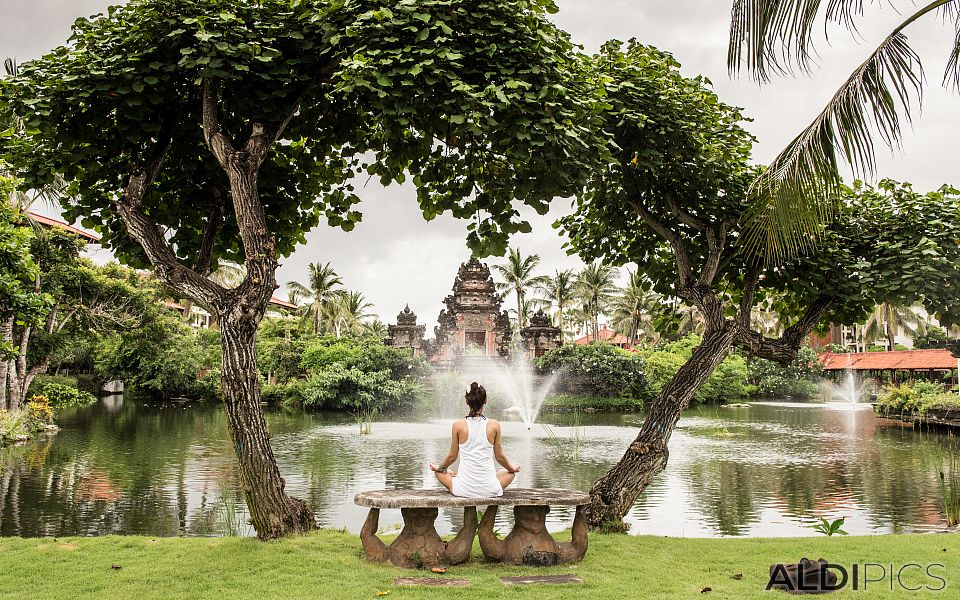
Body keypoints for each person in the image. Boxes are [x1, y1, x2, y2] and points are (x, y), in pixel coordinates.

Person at [429, 382, 520, 497]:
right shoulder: (494, 425)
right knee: (509, 473)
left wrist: (441, 468)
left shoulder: (458, 425)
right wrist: (512, 468)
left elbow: (452, 457)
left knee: (439, 472)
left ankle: (455, 475)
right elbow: (500, 457)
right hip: (489, 490)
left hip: (464, 489)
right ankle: (461, 476)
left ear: (467, 401)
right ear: (485, 400)